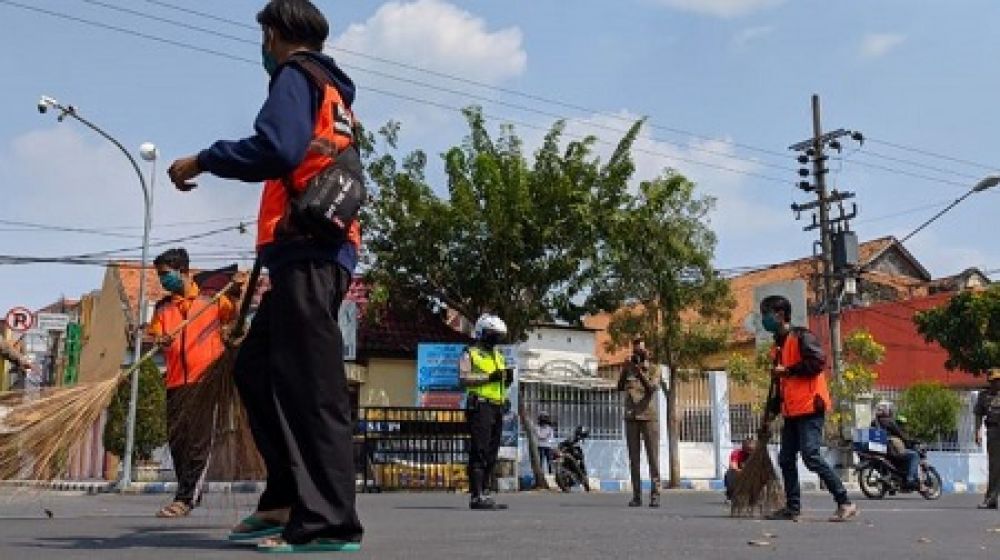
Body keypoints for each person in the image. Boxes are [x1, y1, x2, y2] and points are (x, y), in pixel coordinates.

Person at [167, 0, 364, 552]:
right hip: (304, 252)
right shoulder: (333, 91)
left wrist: (204, 159)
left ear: (274, 35)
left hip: (311, 254)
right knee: (255, 369)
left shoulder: (295, 78)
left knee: (311, 388)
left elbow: (275, 148)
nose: (263, 48)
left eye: (263, 37)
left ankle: (328, 523)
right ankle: (283, 498)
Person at [148, 248, 234, 518]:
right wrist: (160, 340)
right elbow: (156, 334)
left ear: (182, 271)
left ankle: (186, 497)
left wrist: (229, 331)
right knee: (178, 441)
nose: (162, 280)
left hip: (205, 381)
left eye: (165, 275)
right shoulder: (163, 307)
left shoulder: (214, 301)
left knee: (198, 441)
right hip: (175, 383)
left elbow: (235, 323)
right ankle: (186, 492)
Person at [760, 295, 858, 522]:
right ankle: (792, 508)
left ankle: (845, 502)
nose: (764, 319)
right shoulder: (777, 347)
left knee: (811, 456)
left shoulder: (802, 336)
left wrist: (788, 370)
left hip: (810, 407)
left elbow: (817, 362)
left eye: (766, 313)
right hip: (791, 411)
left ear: (780, 315)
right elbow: (780, 386)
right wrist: (770, 414)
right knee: (786, 459)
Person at [459, 314, 514, 510]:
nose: (497, 339)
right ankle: (476, 495)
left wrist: (505, 385)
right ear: (482, 333)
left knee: (492, 451)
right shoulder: (470, 352)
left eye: (499, 336)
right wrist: (489, 377)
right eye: (493, 335)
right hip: (480, 406)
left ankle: (486, 492)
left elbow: (499, 382)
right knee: (479, 450)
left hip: (496, 407)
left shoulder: (498, 356)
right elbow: (464, 378)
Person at [617, 337, 661, 508]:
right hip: (631, 417)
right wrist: (625, 370)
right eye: (635, 351)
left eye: (641, 351)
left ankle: (655, 495)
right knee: (634, 460)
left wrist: (639, 372)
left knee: (653, 459)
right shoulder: (629, 370)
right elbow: (620, 387)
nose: (638, 355)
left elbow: (651, 388)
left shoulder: (655, 369)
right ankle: (636, 496)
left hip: (648, 417)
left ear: (647, 352)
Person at [872, 401, 922, 492]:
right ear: (886, 410)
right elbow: (901, 435)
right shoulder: (889, 422)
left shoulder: (874, 422)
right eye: (889, 409)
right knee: (914, 455)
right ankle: (910, 479)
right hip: (892, 451)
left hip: (882, 451)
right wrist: (912, 441)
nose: (891, 411)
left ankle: (894, 482)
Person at [974, 369, 1000, 510]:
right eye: (995, 381)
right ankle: (991, 499)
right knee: (995, 467)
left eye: (999, 380)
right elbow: (978, 415)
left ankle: (992, 498)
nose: (997, 383)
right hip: (993, 431)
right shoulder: (984, 396)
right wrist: (977, 432)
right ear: (990, 382)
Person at [724, 438, 755, 502]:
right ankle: (731, 493)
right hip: (739, 475)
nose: (750, 452)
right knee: (730, 473)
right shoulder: (736, 453)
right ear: (743, 447)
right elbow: (733, 466)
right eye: (748, 449)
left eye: (752, 450)